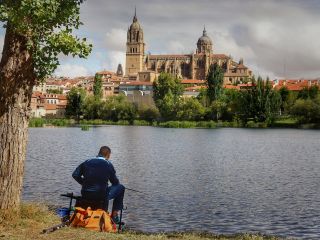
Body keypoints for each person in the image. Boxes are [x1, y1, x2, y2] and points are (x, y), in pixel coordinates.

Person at [72, 146, 125, 223]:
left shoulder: (87, 161)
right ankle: (114, 216)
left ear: (99, 153)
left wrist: (84, 183)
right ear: (108, 155)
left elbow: (75, 175)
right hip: (101, 195)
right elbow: (115, 183)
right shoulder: (108, 164)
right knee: (121, 187)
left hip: (85, 194)